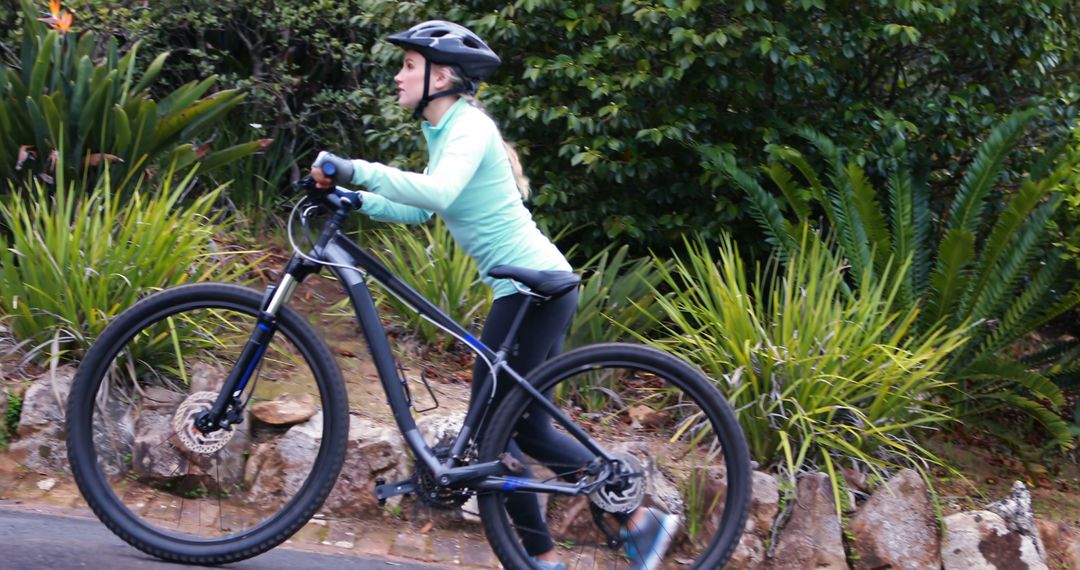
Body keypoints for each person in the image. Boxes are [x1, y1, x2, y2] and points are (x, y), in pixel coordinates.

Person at [310, 20, 679, 570]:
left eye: (408, 65)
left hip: (529, 288)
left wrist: (357, 168)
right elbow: (422, 207)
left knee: (498, 434)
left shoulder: (469, 128)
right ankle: (579, 544)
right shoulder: (446, 130)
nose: (397, 75)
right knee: (521, 431)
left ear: (444, 75)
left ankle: (606, 532)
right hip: (527, 288)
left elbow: (438, 192)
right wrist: (352, 199)